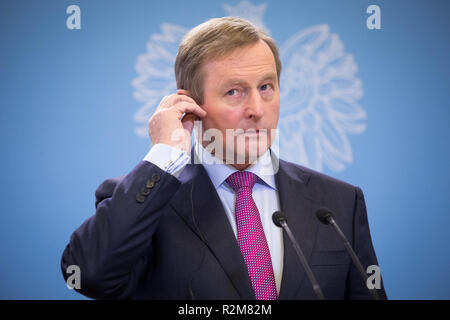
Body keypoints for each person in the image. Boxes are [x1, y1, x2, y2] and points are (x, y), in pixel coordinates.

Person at [61, 17, 387, 300]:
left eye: (266, 87)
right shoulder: (144, 202)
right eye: (234, 92)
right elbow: (89, 275)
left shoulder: (339, 203)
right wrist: (164, 154)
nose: (256, 110)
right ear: (189, 103)